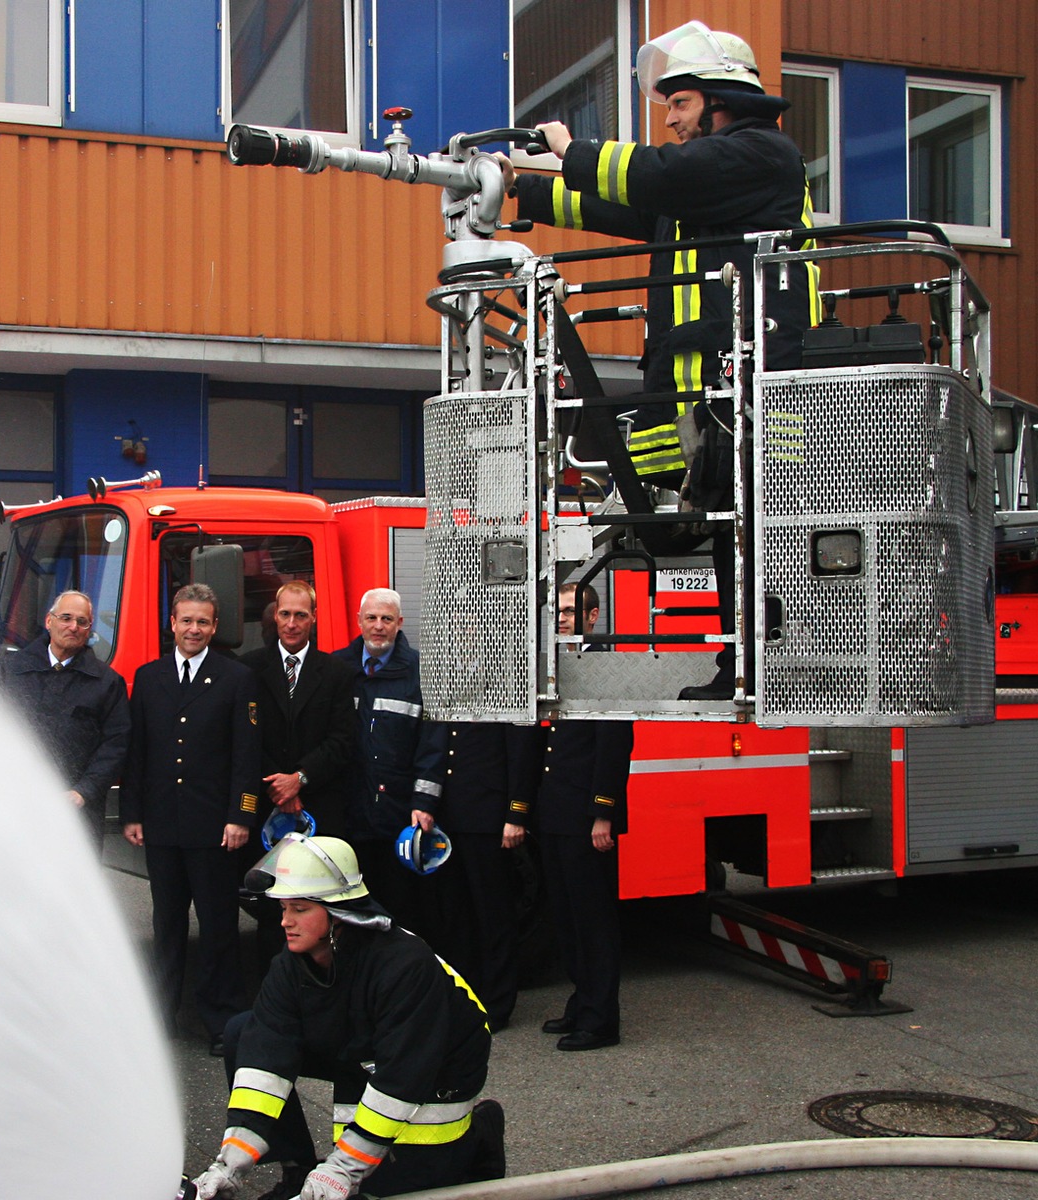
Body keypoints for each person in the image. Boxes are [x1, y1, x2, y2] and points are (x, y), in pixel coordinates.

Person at [500, 20, 821, 700]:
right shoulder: (702, 191)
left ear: (720, 98)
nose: (669, 118)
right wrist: (520, 189)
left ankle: (760, 667)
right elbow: (628, 202)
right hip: (703, 392)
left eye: (678, 103)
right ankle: (740, 667)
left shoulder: (759, 153)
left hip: (755, 389)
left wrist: (570, 148)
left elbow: (651, 174)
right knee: (721, 529)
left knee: (752, 532)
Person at [192, 835, 504, 1200]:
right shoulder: (291, 963)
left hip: (437, 1068)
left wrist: (342, 1169)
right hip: (365, 1048)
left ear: (339, 913)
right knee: (243, 1031)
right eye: (284, 909)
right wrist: (228, 1166)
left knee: (383, 1187)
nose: (286, 922)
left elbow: (402, 1075)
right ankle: (296, 1168)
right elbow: (266, 1053)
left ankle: (481, 1133)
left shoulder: (403, 964)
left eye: (300, 909)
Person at [120, 582, 260, 1054]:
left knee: (219, 927)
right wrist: (132, 813)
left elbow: (247, 756)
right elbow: (137, 751)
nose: (194, 629)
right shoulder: (148, 676)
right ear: (172, 623)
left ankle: (222, 1022)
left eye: (203, 621)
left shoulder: (235, 678)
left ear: (215, 627)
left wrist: (240, 816)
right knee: (167, 926)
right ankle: (160, 1018)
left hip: (214, 829)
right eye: (186, 620)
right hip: (161, 824)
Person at [531, 583, 633, 1051]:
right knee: (566, 918)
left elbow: (614, 747)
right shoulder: (557, 664)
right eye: (560, 612)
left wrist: (603, 814)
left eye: (573, 611)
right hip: (555, 813)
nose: (564, 618)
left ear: (594, 616)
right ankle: (581, 1004)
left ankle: (601, 1020)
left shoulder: (603, 666)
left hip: (586, 818)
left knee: (593, 922)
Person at [241, 581, 358, 973]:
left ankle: (324, 984)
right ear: (275, 616)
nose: (292, 623)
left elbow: (343, 740)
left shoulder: (337, 672)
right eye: (285, 614)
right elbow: (244, 738)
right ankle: (271, 990)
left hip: (319, 804)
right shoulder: (249, 669)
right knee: (272, 905)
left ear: (314, 618)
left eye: (301, 615)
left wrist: (300, 779)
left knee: (320, 904)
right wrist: (279, 785)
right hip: (267, 804)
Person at [332, 588, 447, 935]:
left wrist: (424, 803)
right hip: (348, 814)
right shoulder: (337, 668)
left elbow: (433, 745)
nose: (378, 626)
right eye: (371, 618)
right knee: (349, 911)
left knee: (401, 910)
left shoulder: (421, 671)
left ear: (399, 623)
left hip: (399, 816)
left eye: (386, 619)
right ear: (359, 621)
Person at [0, 589, 129, 851]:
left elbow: (116, 745)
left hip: (78, 810)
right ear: (49, 621)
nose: (73, 627)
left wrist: (84, 791)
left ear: (89, 629)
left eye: (82, 621)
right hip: (15, 804)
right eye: (66, 618)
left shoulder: (107, 682)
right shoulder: (9, 671)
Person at [428, 724, 538, 1032]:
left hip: (487, 815)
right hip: (448, 817)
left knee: (493, 915)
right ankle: (464, 998)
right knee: (456, 916)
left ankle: (498, 1004)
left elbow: (521, 750)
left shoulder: (500, 686)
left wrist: (516, 814)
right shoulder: (448, 684)